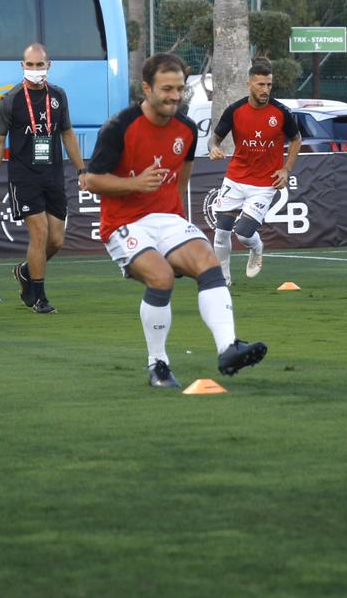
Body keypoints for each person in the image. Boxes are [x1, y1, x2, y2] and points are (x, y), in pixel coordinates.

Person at [82, 52, 268, 388]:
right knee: (162, 277)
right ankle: (158, 365)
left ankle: (228, 348)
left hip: (167, 219)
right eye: (166, 89)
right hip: (123, 223)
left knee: (208, 261)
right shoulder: (119, 127)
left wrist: (182, 224)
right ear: (147, 89)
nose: (174, 96)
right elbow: (91, 181)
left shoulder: (186, 128)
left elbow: (182, 178)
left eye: (179, 88)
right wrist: (134, 184)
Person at [0, 43, 86, 313]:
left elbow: (67, 134)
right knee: (39, 232)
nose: (35, 70)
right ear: (22, 66)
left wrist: (81, 169)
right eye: (30, 65)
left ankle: (26, 272)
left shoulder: (59, 96)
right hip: (23, 176)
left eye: (40, 65)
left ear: (48, 65)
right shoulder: (10, 100)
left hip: (53, 175)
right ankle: (39, 297)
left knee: (56, 241)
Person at [206, 59, 300, 281]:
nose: (265, 89)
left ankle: (257, 249)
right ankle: (223, 281)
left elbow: (296, 139)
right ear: (249, 84)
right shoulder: (235, 110)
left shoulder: (280, 112)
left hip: (264, 184)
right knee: (221, 232)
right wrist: (214, 148)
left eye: (268, 85)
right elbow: (215, 139)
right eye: (260, 85)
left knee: (244, 233)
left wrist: (286, 169)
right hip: (235, 179)